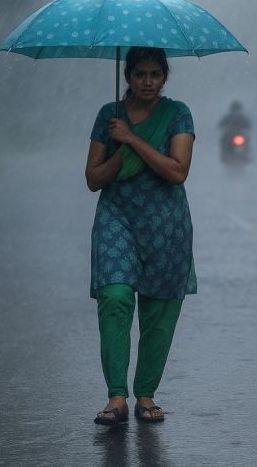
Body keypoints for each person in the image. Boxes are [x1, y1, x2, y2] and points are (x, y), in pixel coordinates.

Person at [84, 47, 197, 426]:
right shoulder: (108, 116)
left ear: (164, 78)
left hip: (166, 223)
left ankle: (145, 394)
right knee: (114, 296)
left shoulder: (177, 114)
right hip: (118, 217)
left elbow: (177, 171)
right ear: (128, 77)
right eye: (139, 74)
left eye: (155, 74)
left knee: (159, 311)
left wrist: (133, 140)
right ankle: (116, 395)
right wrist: (119, 147)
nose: (147, 82)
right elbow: (93, 179)